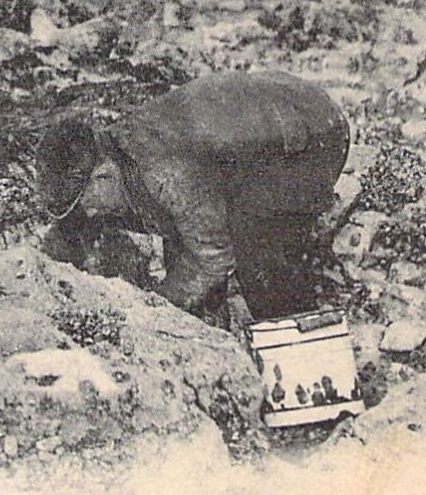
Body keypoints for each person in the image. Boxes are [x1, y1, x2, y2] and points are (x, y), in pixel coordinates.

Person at [34, 71, 350, 321]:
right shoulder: (119, 152)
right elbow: (69, 235)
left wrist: (159, 307)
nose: (90, 215)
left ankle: (299, 342)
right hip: (262, 120)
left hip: (308, 133)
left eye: (87, 204)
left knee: (259, 260)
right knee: (189, 248)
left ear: (103, 175)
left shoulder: (165, 172)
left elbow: (212, 257)